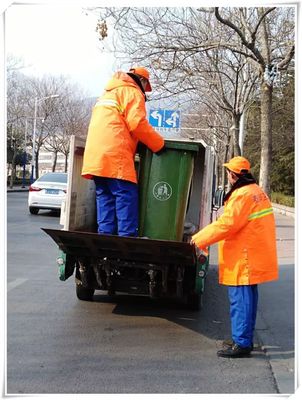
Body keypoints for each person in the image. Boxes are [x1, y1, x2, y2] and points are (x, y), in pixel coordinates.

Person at [191, 156, 278, 358]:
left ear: (233, 175)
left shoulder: (242, 195)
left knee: (240, 302)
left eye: (229, 173)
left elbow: (227, 224)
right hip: (251, 253)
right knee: (248, 300)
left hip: (244, 257)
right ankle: (243, 339)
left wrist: (198, 239)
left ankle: (242, 344)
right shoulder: (256, 192)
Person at [82, 66, 164, 237]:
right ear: (142, 81)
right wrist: (158, 144)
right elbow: (137, 124)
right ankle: (126, 240)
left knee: (105, 196)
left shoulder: (107, 94)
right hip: (115, 153)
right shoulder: (132, 92)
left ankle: (105, 238)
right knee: (126, 194)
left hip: (95, 157)